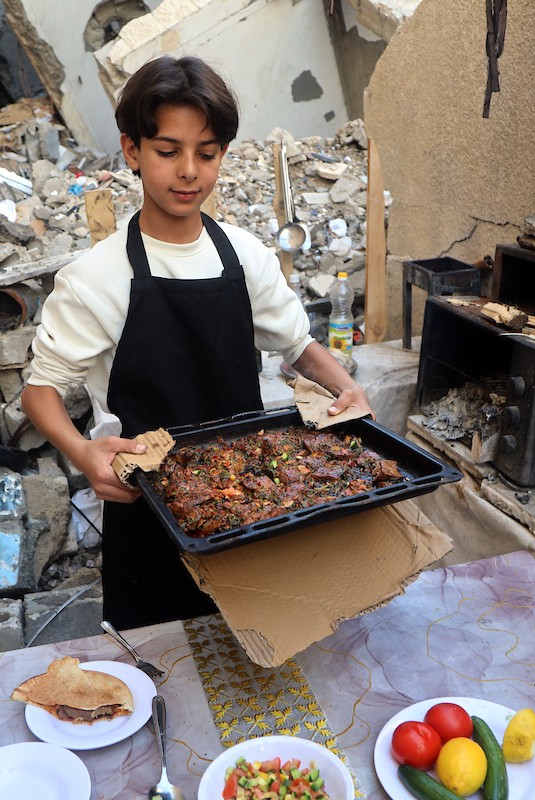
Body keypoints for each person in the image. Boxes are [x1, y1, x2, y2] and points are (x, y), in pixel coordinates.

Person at [21, 55, 372, 630]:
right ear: (131, 150)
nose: (188, 171)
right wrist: (83, 453)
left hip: (253, 499)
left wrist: (347, 389)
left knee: (259, 653)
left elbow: (298, 344)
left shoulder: (248, 257)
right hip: (148, 512)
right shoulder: (96, 277)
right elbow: (41, 392)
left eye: (206, 154)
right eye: (168, 151)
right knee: (165, 670)